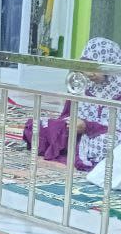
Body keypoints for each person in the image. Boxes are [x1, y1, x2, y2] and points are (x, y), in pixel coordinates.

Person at [23, 37, 121, 170]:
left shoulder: (118, 92)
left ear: (110, 65)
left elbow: (116, 128)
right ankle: (74, 147)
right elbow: (67, 114)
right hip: (77, 132)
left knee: (108, 143)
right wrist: (71, 123)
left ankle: (77, 149)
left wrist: (87, 126)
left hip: (104, 136)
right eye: (87, 67)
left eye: (96, 68)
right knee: (36, 127)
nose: (90, 74)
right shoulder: (82, 84)